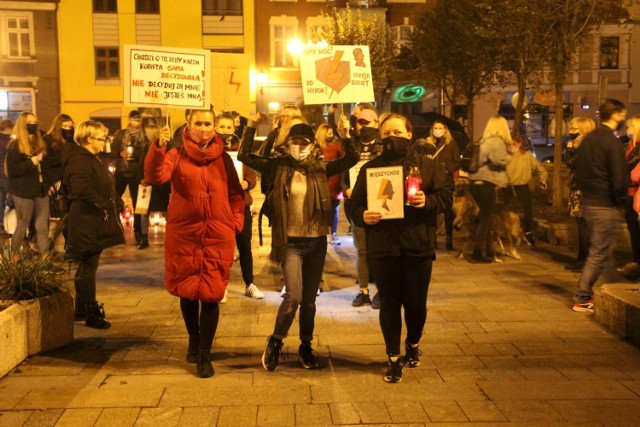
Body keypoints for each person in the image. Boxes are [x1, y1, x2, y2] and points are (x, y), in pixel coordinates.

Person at [238, 117, 358, 372]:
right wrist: (255, 127)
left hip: (316, 242)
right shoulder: (278, 165)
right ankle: (276, 341)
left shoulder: (321, 167)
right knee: (293, 296)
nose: (299, 147)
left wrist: (346, 135)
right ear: (289, 143)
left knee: (309, 301)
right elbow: (244, 156)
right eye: (295, 142)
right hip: (291, 242)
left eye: (304, 143)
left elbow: (352, 160)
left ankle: (306, 344)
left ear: (313, 145)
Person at [348, 113, 452, 383]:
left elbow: (446, 196)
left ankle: (413, 344)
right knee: (390, 305)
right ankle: (393, 358)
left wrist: (426, 202)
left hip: (417, 246)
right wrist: (363, 216)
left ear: (409, 134)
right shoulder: (371, 169)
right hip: (384, 248)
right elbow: (354, 205)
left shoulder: (427, 167)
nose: (391, 138)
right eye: (385, 134)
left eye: (396, 132)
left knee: (416, 304)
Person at [145, 106, 245, 378]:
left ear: (215, 126)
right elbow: (156, 177)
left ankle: (204, 353)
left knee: (211, 295)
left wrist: (234, 221)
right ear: (188, 126)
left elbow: (237, 194)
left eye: (207, 123)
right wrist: (159, 146)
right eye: (197, 123)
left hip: (217, 234)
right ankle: (193, 337)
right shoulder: (176, 155)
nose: (203, 128)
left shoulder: (223, 159)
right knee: (188, 293)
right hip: (185, 234)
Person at [62, 120, 125, 328]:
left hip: (91, 220)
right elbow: (80, 188)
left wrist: (115, 199)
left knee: (88, 265)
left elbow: (102, 184)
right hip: (85, 221)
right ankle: (90, 312)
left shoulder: (91, 159)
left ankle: (81, 309)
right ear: (89, 139)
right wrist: (101, 203)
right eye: (101, 138)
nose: (104, 142)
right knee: (88, 267)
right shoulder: (80, 160)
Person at [572, 98, 628, 312]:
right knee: (598, 252)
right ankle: (582, 296)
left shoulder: (589, 140)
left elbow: (579, 169)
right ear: (614, 115)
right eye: (622, 115)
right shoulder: (612, 143)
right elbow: (619, 177)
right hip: (606, 204)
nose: (623, 119)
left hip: (588, 201)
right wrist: (619, 200)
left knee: (603, 249)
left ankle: (614, 287)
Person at [216, 111, 264, 300]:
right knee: (222, 248)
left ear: (234, 129)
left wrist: (247, 183)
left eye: (228, 127)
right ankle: (221, 286)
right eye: (221, 126)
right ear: (215, 127)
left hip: (241, 205)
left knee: (245, 246)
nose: (225, 130)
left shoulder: (241, 150)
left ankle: (249, 283)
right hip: (220, 205)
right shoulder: (212, 150)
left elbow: (251, 175)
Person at [343, 106, 382, 308]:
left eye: (368, 122)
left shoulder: (384, 146)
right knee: (362, 251)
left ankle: (380, 291)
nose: (364, 126)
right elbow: (344, 172)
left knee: (379, 250)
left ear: (377, 123)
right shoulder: (351, 146)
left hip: (380, 204)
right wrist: (348, 190)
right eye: (360, 122)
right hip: (358, 207)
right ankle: (363, 290)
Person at [467, 115, 512, 263]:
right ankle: (477, 253)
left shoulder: (482, 140)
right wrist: (509, 158)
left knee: (484, 217)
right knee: (486, 218)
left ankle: (487, 249)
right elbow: (499, 160)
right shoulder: (497, 141)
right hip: (486, 183)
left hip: (474, 182)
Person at [5, 112, 50, 254]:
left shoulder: (40, 143)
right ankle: (14, 256)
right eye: (30, 122)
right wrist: (31, 161)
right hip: (23, 192)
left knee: (42, 226)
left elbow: (46, 168)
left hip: (41, 190)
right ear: (23, 125)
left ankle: (45, 258)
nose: (33, 125)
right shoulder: (15, 146)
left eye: (35, 122)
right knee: (22, 225)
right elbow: (12, 171)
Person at [417, 120, 461, 250]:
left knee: (448, 211)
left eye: (440, 128)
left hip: (446, 180)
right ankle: (433, 238)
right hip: (431, 181)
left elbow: (457, 161)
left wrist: (446, 169)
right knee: (432, 210)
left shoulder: (450, 144)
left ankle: (449, 237)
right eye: (435, 127)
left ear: (445, 129)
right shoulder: (427, 143)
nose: (437, 130)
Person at [502, 135, 548, 245]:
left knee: (528, 210)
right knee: (501, 209)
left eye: (513, 144)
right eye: (509, 144)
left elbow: (540, 168)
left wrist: (543, 181)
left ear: (519, 144)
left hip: (522, 185)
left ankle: (528, 232)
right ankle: (501, 231)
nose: (511, 147)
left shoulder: (527, 156)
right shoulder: (505, 157)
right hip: (507, 186)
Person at [563, 117, 596, 272]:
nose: (571, 131)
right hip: (577, 187)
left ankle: (585, 261)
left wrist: (568, 149)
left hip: (583, 189)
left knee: (585, 226)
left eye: (574, 128)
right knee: (580, 225)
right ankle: (580, 259)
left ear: (583, 130)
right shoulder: (579, 144)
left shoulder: (586, 145)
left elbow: (571, 163)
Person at [111, 110, 146, 245]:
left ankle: (138, 232)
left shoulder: (144, 137)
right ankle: (115, 228)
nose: (135, 122)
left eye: (138, 120)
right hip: (121, 171)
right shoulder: (121, 134)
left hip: (136, 174)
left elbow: (145, 155)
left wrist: (135, 155)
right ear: (129, 119)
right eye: (133, 119)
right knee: (114, 199)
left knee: (138, 204)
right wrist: (120, 153)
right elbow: (112, 152)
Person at [137, 118, 171, 250]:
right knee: (144, 211)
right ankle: (144, 238)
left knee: (166, 212)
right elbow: (141, 164)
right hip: (147, 184)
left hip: (161, 185)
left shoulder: (165, 146)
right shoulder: (145, 147)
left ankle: (169, 237)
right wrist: (141, 178)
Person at [617, 115, 640, 277]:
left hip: (635, 193)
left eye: (630, 127)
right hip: (629, 194)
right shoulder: (629, 146)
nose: (627, 130)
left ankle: (637, 262)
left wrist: (623, 178)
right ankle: (636, 259)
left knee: (637, 230)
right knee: (633, 230)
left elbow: (632, 171)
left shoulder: (638, 147)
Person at [316, 124, 344, 245]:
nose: (331, 135)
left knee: (334, 210)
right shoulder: (315, 147)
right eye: (328, 133)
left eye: (332, 133)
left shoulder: (336, 146)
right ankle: (321, 233)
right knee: (320, 210)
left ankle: (333, 233)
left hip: (334, 185)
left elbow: (345, 159)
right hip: (320, 184)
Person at [0, 119, 13, 238]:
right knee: (10, 201)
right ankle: (7, 225)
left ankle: (0, 224)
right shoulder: (9, 143)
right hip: (5, 177)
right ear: (8, 128)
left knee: (1, 201)